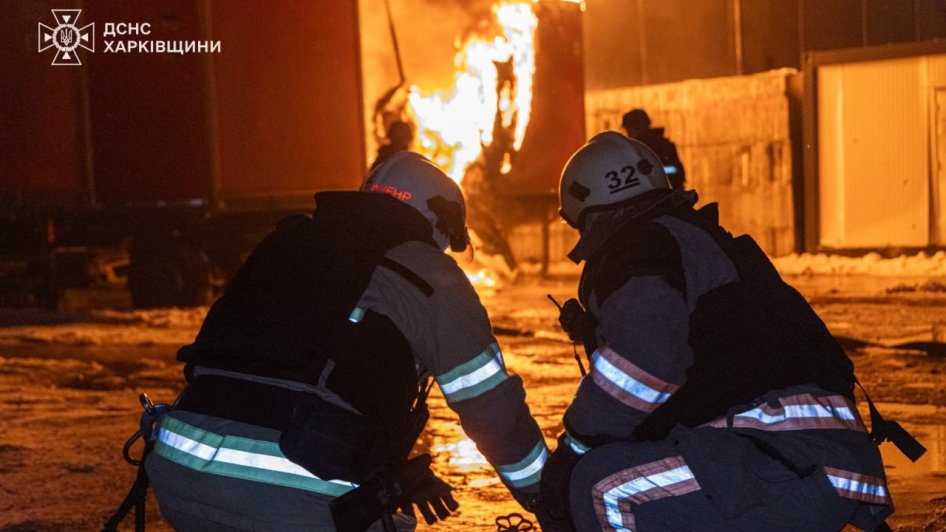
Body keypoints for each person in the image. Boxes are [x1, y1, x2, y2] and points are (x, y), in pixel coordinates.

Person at [145, 151, 548, 530]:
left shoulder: (287, 244)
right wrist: (547, 496)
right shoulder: (427, 273)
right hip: (289, 498)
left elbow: (293, 375)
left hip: (178, 476)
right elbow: (492, 411)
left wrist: (385, 470)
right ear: (440, 222)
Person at [538, 131, 893, 531]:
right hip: (815, 460)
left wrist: (574, 446)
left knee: (599, 484)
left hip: (780, 461)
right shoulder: (694, 238)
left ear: (583, 212)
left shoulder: (636, 250)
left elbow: (646, 366)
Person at [622, 109, 686, 190]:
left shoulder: (659, 146)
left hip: (664, 193)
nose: (628, 134)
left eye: (629, 129)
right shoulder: (634, 148)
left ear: (639, 127)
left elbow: (674, 170)